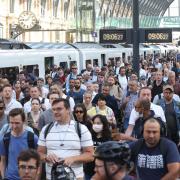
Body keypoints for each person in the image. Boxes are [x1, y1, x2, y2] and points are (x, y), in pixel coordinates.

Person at [37, 98, 94, 180]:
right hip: (51, 177)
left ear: (68, 110)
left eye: (59, 109)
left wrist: (73, 159)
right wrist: (46, 157)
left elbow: (91, 155)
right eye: (54, 109)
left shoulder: (81, 129)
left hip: (76, 177)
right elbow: (39, 154)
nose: (56, 112)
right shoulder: (46, 129)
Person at [0, 108, 38, 180]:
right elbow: (3, 160)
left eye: (17, 123)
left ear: (23, 122)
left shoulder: (32, 138)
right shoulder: (5, 139)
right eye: (11, 123)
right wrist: (3, 177)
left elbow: (38, 160)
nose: (14, 126)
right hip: (10, 177)